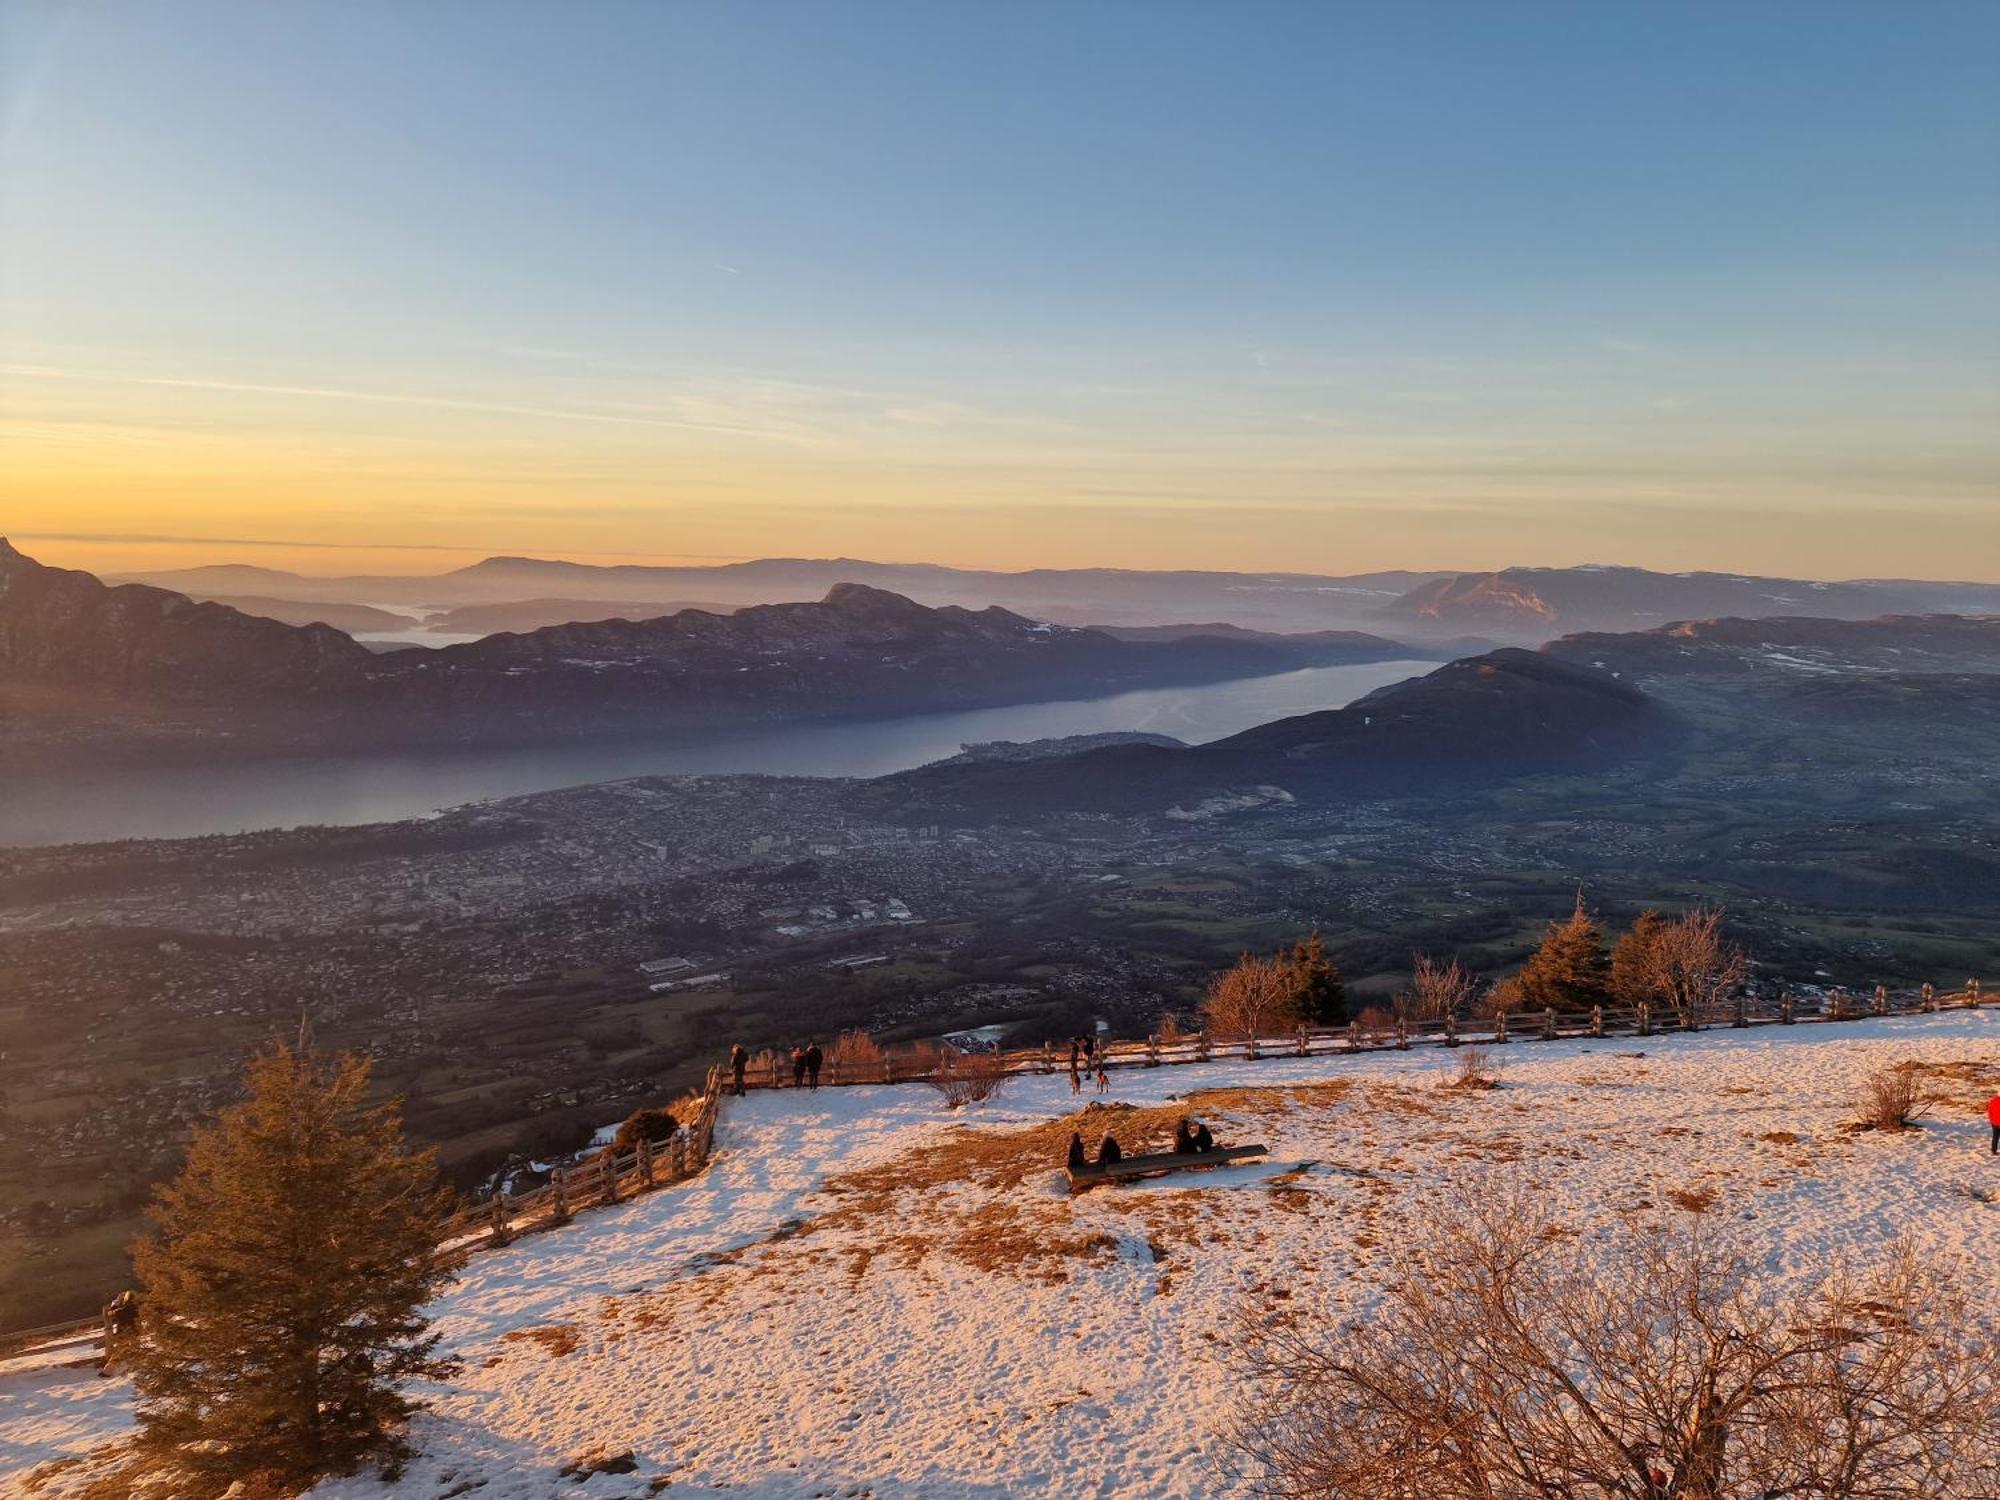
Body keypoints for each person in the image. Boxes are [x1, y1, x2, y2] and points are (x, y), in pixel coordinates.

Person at [100, 1289, 139, 1376]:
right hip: (135, 1333)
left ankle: (107, 1372)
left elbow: (110, 1312)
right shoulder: (137, 1309)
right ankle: (131, 1369)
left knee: (118, 1353)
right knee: (135, 1352)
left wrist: (116, 1302)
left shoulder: (121, 1311)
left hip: (123, 1334)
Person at [1988, 1091, 2000, 1155]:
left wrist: (1991, 1120)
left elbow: (1989, 1111)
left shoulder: (1993, 1101)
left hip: (1994, 1122)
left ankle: (1993, 1150)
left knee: (1995, 1137)